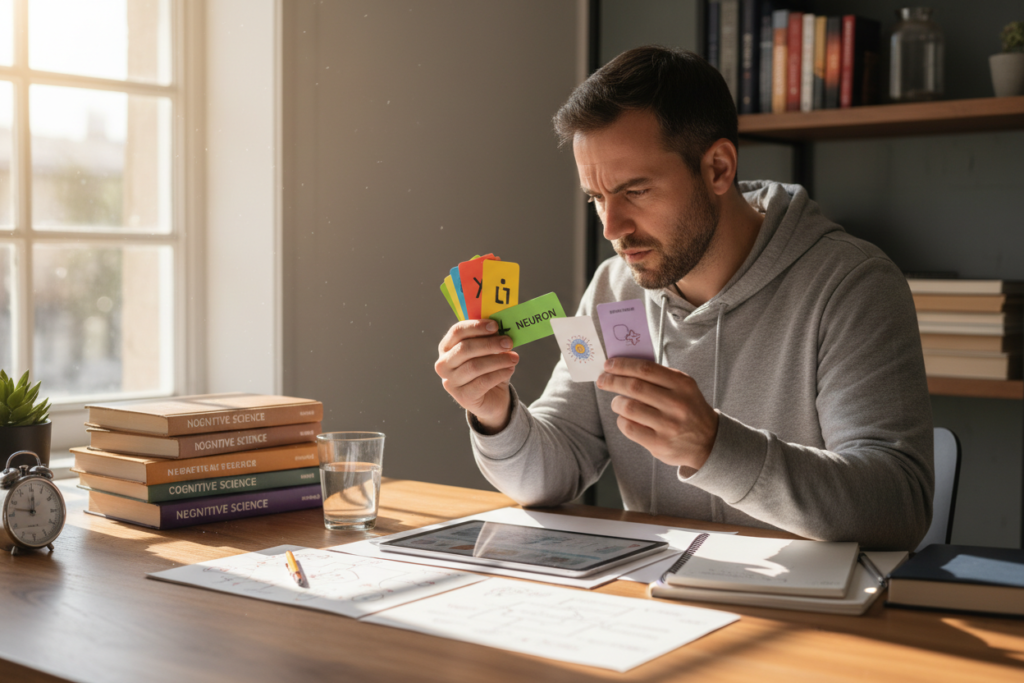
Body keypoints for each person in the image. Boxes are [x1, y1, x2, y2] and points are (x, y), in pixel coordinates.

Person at [434, 46, 933, 550]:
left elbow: (897, 507)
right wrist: (495, 414)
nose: (612, 228)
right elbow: (551, 473)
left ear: (718, 168)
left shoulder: (852, 285)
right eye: (596, 198)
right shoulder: (611, 291)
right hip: (658, 602)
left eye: (636, 190)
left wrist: (716, 447)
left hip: (811, 613)